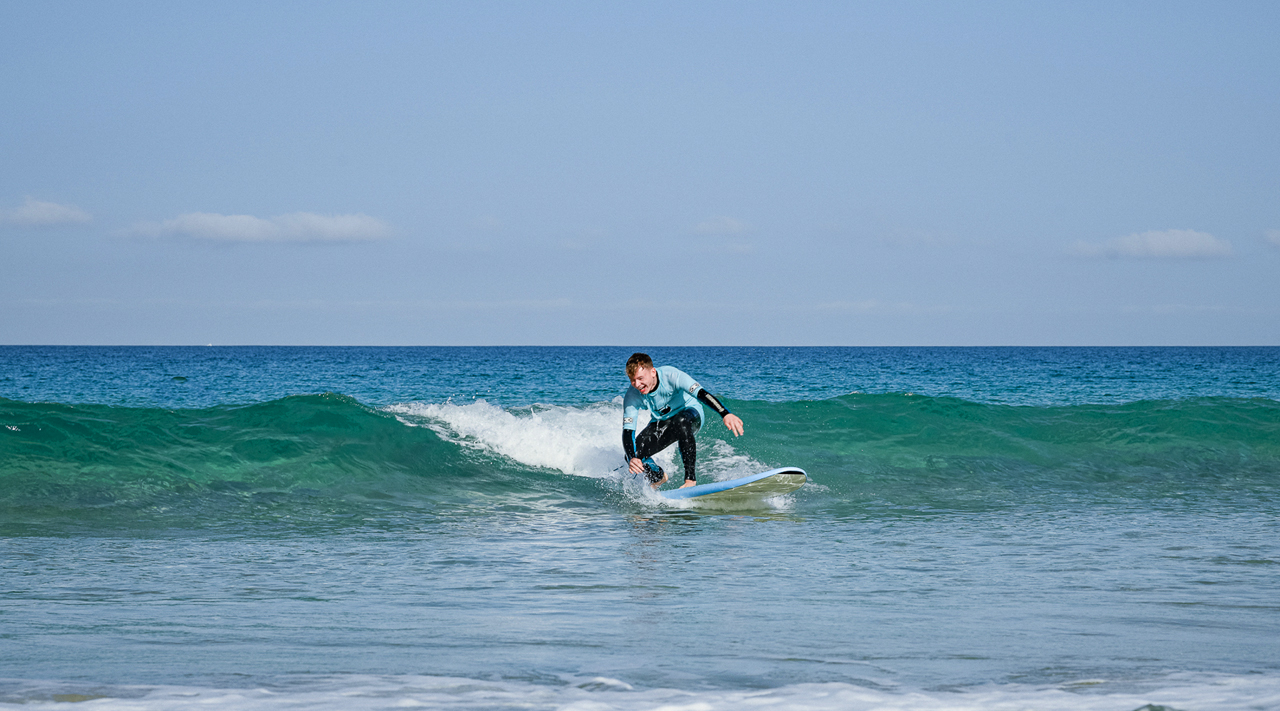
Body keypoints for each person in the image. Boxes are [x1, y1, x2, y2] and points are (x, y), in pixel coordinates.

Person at [622, 352, 745, 489]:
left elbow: (701, 393)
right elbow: (628, 431)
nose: (637, 384)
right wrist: (633, 457)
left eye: (640, 378)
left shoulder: (671, 375)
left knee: (681, 421)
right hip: (662, 421)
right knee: (632, 455)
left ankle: (690, 480)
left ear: (652, 372)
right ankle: (657, 477)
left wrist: (725, 413)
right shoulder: (632, 396)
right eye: (632, 380)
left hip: (690, 415)